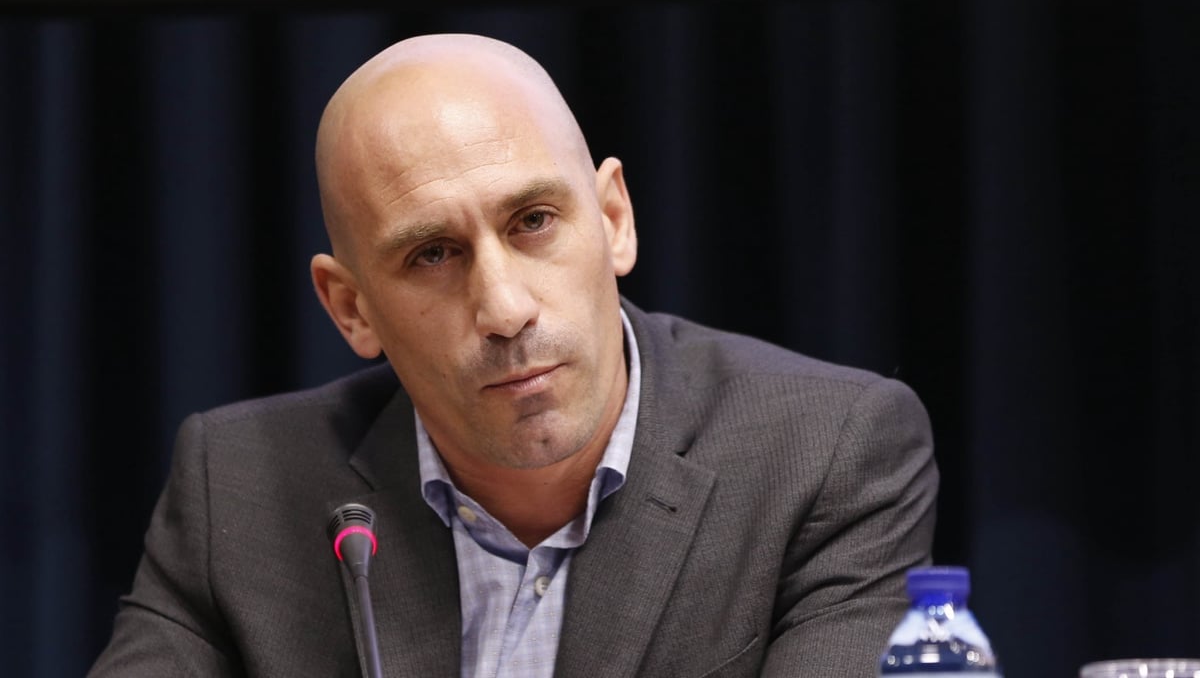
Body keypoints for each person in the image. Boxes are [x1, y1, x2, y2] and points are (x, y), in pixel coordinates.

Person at [89, 33, 938, 677]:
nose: (503, 309)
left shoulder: (825, 454)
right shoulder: (238, 488)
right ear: (352, 308)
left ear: (613, 220)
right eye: (432, 254)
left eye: (533, 221)